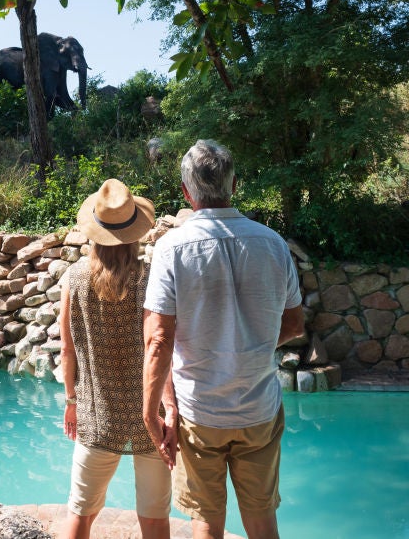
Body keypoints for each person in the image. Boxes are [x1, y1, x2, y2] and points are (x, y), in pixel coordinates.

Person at [142, 140, 305, 539]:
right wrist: (250, 347)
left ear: (186, 192)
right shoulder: (273, 245)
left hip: (200, 413)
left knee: (206, 524)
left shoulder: (171, 249)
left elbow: (159, 341)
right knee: (262, 521)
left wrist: (151, 414)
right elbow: (295, 323)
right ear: (234, 186)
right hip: (258, 410)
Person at [59, 178, 177, 539]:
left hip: (97, 418)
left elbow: (67, 351)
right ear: (135, 233)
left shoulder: (73, 280)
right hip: (150, 418)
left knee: (80, 512)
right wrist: (170, 408)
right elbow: (163, 348)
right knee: (155, 519)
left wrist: (71, 401)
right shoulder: (152, 280)